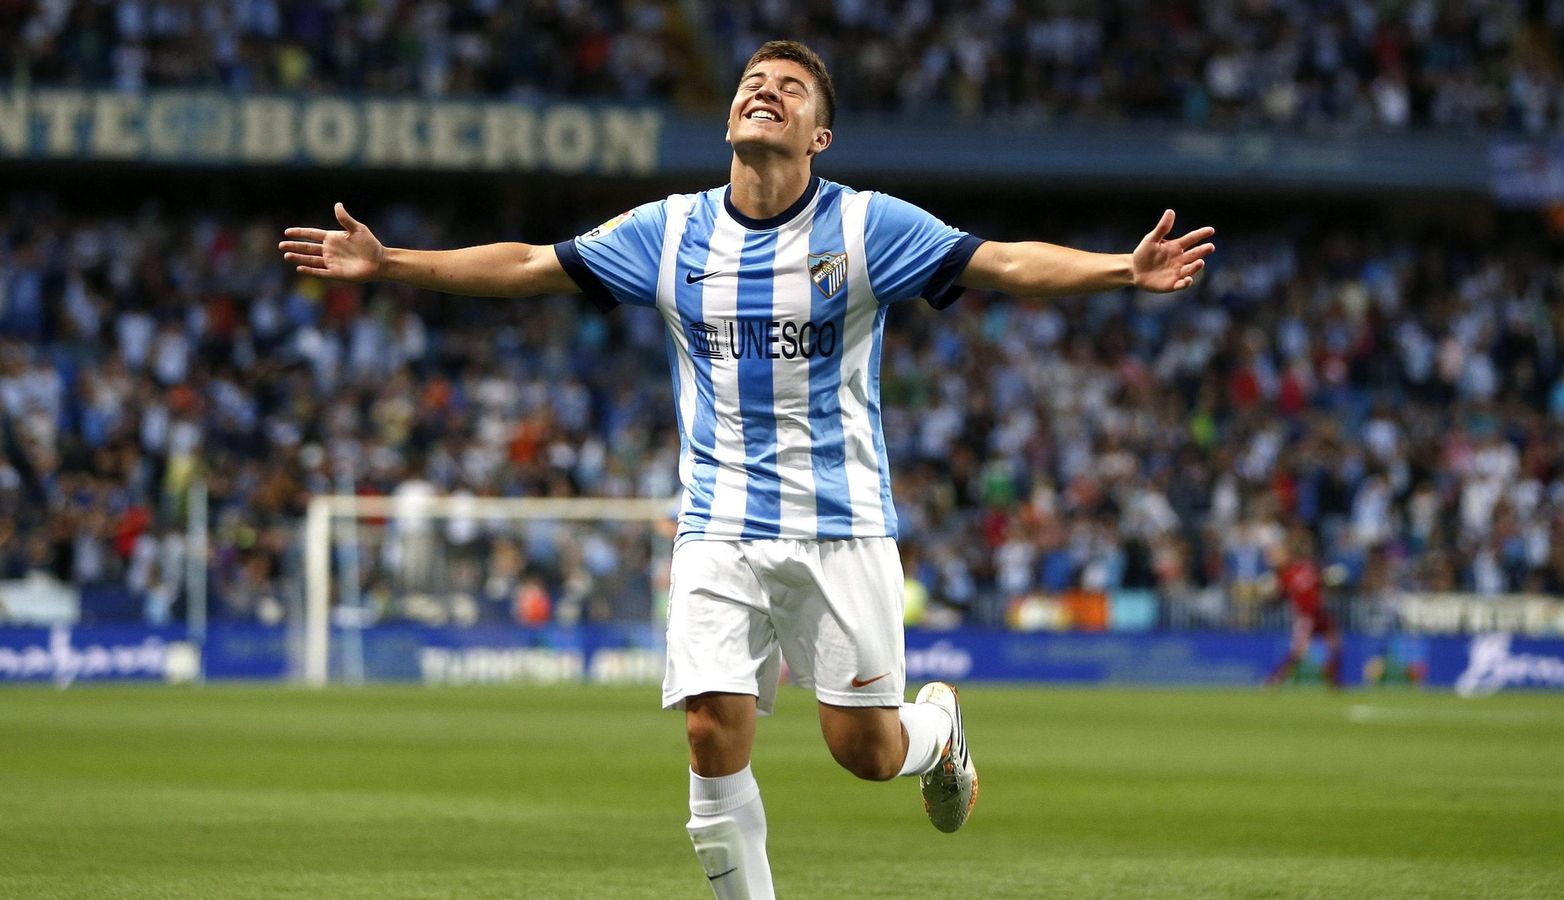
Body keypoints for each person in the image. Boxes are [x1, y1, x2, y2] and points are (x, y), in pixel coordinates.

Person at [281, 39, 1215, 899]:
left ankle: (936, 733)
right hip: (717, 526)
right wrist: (390, 261)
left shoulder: (865, 227)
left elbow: (1000, 261)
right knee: (708, 732)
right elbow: (529, 264)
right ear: (731, 115)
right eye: (752, 83)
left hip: (841, 524)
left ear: (820, 136)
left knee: (863, 750)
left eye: (791, 88)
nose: (765, 92)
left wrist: (1120, 271)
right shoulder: (669, 231)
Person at [1266, 526, 1343, 690]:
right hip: (1305, 616)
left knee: (1335, 644)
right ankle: (1274, 680)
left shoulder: (1309, 566)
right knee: (1299, 652)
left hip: (1319, 613)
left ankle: (1334, 684)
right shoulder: (1285, 574)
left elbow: (1322, 583)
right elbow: (1280, 596)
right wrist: (1269, 598)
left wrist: (1332, 579)